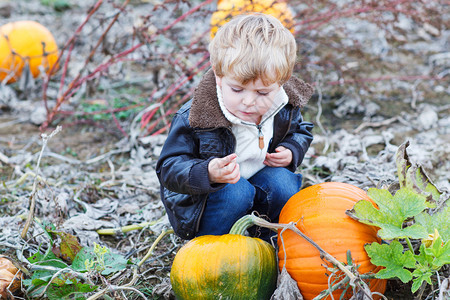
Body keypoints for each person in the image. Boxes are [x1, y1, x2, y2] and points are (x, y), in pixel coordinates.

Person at [156, 13, 314, 241]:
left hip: (260, 185)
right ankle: (213, 244)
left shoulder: (284, 104)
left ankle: (266, 240)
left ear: (281, 82)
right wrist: (207, 172)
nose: (249, 102)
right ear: (219, 77)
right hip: (209, 202)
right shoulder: (196, 117)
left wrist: (291, 150)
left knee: (283, 183)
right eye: (237, 90)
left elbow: (300, 131)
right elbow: (168, 168)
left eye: (262, 93)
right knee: (236, 192)